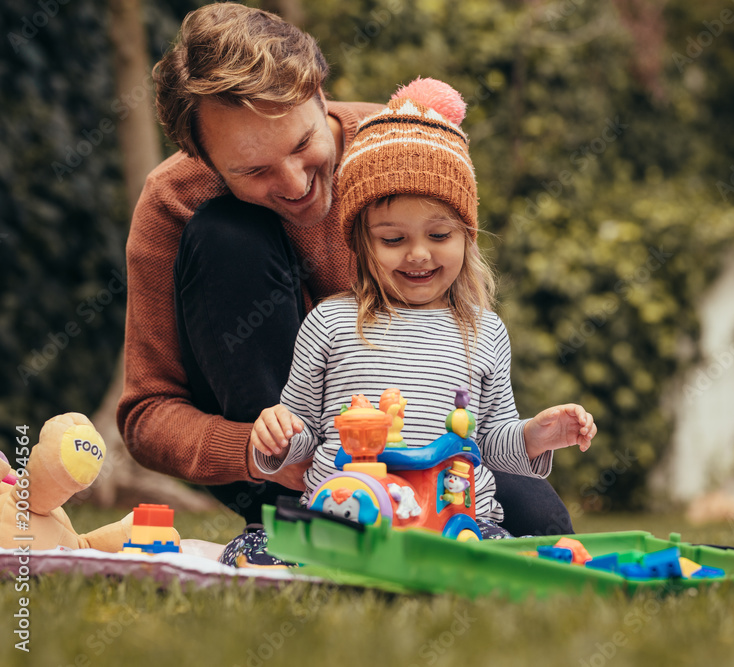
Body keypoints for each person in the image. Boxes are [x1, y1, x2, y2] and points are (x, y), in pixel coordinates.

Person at [116, 3, 577, 535]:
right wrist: (259, 450)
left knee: (543, 527)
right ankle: (292, 518)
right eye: (254, 170)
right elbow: (147, 413)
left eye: (302, 144)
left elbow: (457, 328)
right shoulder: (172, 200)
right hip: (280, 451)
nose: (293, 183)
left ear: (319, 94)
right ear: (203, 158)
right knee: (225, 231)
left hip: (419, 431)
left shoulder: (397, 148)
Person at [249, 78, 597, 538]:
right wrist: (274, 436)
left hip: (456, 520)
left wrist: (536, 435)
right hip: (348, 519)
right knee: (253, 549)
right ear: (361, 242)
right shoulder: (330, 323)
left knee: (516, 555)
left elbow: (491, 445)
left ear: (467, 235)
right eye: (393, 239)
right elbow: (304, 433)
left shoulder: (484, 330)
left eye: (439, 235)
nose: (417, 254)